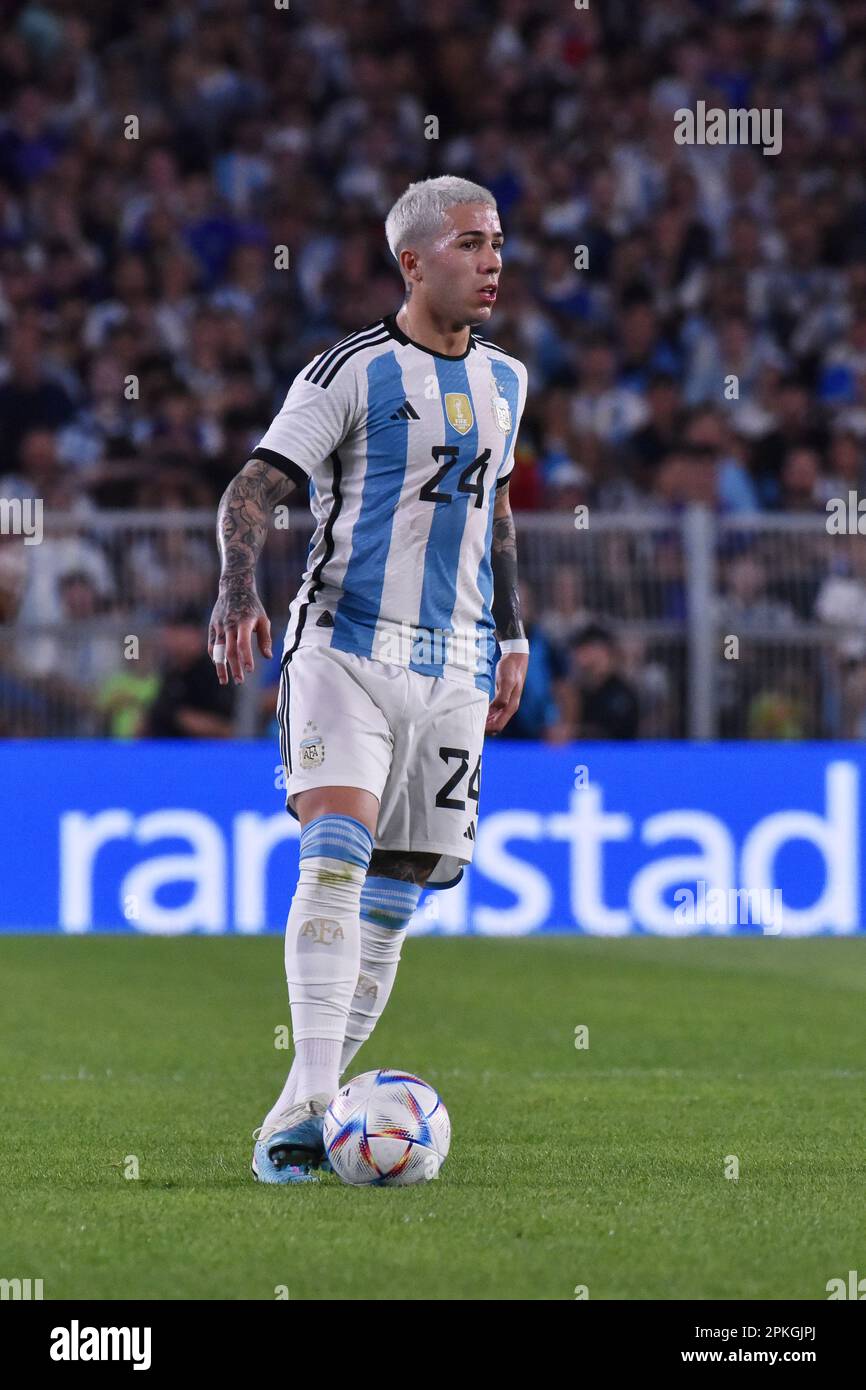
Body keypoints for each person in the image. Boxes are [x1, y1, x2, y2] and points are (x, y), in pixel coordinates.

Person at [208, 175, 529, 1183]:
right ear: (412, 261)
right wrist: (234, 588)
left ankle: (301, 1108)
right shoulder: (345, 372)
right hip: (342, 645)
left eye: (497, 243)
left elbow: (497, 512)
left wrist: (512, 635)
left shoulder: (507, 381)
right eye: (471, 244)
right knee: (335, 853)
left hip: (455, 666)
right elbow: (252, 489)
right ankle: (309, 1099)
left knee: (392, 897)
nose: (491, 262)